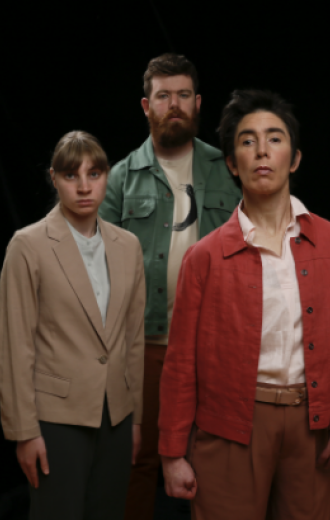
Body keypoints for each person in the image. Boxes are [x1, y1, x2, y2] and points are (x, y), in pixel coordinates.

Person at [158, 89, 330, 520]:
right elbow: (180, 364)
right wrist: (172, 453)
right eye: (247, 141)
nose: (261, 152)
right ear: (233, 163)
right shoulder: (205, 256)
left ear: (294, 157)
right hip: (230, 426)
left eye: (274, 138)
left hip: (310, 424)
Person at [99, 53, 242, 519]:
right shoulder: (120, 177)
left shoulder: (228, 168)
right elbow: (96, 264)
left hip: (214, 341)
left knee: (212, 458)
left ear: (198, 102)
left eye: (183, 95)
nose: (173, 105)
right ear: (147, 105)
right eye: (163, 96)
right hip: (144, 345)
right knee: (138, 456)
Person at [0, 131, 145, 520]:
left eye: (94, 174)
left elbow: (133, 339)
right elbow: (16, 346)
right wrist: (24, 431)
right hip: (56, 419)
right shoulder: (27, 246)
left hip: (117, 415)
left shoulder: (128, 245)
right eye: (71, 175)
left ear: (107, 177)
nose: (84, 186)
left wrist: (136, 419)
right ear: (53, 178)